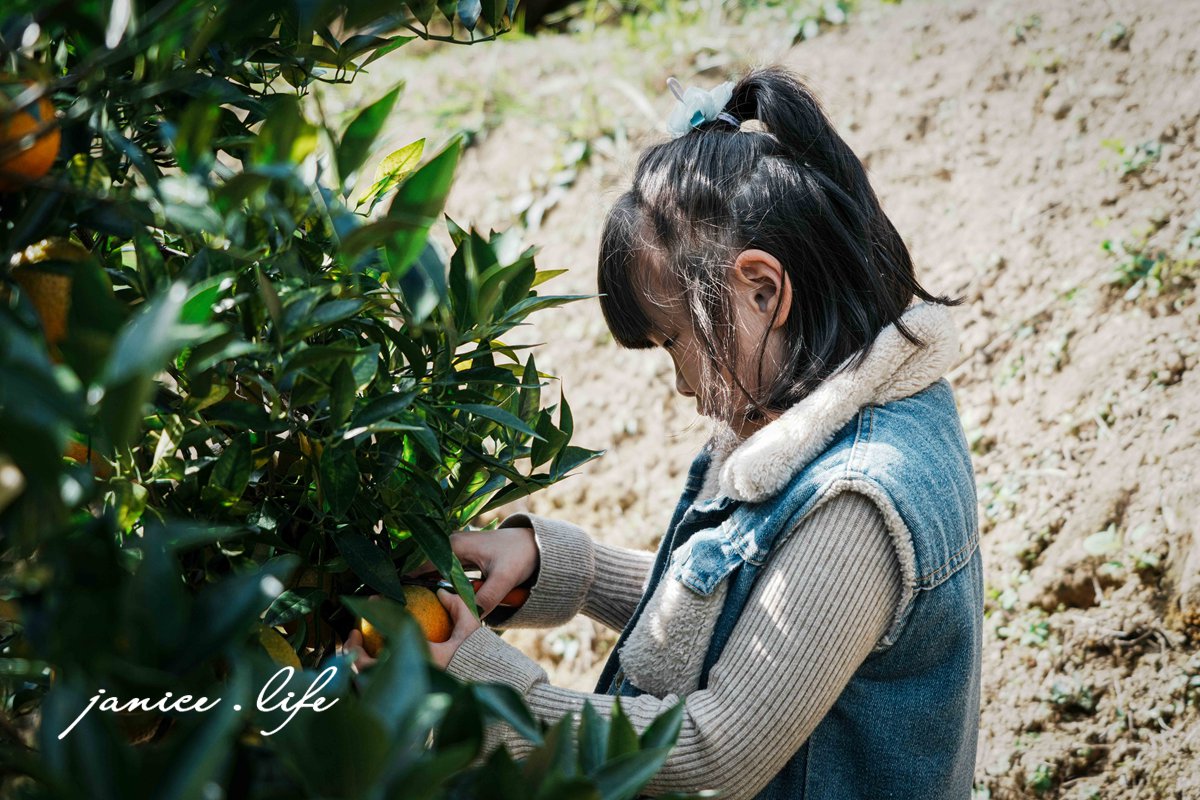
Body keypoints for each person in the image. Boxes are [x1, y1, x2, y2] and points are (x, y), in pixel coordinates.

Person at [344, 64, 984, 800]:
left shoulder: (856, 504)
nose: (682, 383)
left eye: (676, 340)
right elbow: (743, 615)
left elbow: (720, 753)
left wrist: (484, 683)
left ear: (764, 290)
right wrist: (566, 569)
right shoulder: (835, 418)